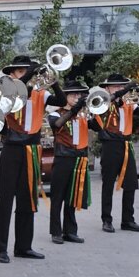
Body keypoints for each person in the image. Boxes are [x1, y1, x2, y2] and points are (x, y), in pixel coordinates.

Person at [0, 55, 67, 263]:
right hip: (12, 149)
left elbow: (61, 101)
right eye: (20, 71)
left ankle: (24, 246)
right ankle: (1, 248)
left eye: (27, 70)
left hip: (33, 149)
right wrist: (30, 74)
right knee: (6, 200)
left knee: (28, 199)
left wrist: (54, 81)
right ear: (12, 74)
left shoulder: (40, 94)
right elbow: (18, 91)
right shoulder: (7, 92)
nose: (26, 74)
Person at [96, 74, 139, 233]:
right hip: (110, 144)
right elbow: (113, 100)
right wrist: (126, 89)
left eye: (122, 86)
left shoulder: (128, 102)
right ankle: (106, 219)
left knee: (131, 183)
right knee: (108, 184)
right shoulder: (102, 101)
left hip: (126, 144)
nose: (120, 89)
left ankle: (128, 220)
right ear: (107, 88)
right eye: (116, 86)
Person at [47, 79, 93, 244]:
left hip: (80, 158)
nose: (77, 97)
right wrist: (74, 109)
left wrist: (93, 108)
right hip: (63, 158)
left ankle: (70, 231)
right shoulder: (56, 113)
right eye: (73, 94)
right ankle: (56, 231)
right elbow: (57, 125)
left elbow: (99, 128)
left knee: (72, 195)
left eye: (79, 94)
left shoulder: (83, 114)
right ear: (65, 96)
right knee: (58, 196)